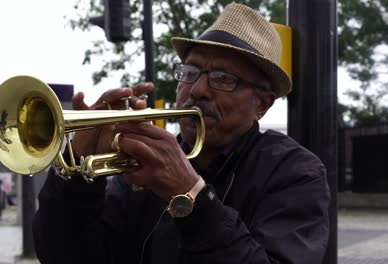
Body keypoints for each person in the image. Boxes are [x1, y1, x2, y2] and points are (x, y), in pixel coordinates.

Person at [33, 3, 330, 264]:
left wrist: (190, 196)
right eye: (190, 72)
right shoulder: (143, 169)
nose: (198, 89)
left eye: (223, 78)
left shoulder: (295, 172)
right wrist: (75, 179)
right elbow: (66, 255)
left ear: (261, 105)